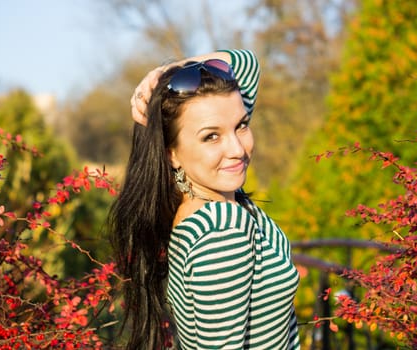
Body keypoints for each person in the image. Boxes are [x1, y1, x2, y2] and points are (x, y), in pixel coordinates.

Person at [108, 49, 301, 350]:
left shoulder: (199, 208)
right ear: (170, 153)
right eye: (211, 136)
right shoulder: (223, 229)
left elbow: (246, 64)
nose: (237, 148)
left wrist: (167, 73)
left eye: (241, 125)